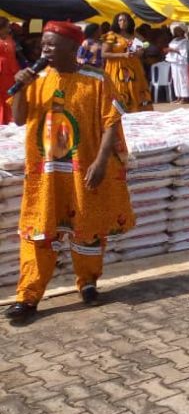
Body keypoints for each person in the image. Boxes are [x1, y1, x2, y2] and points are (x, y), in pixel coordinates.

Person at [3, 22, 135, 323]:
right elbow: (20, 119)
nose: (44, 49)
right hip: (45, 174)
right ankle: (28, 296)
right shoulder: (36, 79)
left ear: (71, 47)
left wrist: (101, 162)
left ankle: (87, 283)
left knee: (87, 227)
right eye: (43, 45)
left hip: (83, 168)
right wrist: (21, 86)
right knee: (39, 230)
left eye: (51, 44)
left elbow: (111, 122)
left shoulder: (96, 79)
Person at [102, 12, 152, 113]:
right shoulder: (111, 35)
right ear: (116, 22)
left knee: (135, 90)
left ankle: (135, 112)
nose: (123, 22)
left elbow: (145, 44)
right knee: (120, 91)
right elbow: (104, 54)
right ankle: (118, 113)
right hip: (117, 69)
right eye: (120, 20)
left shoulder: (133, 34)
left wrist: (140, 51)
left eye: (125, 20)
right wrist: (122, 55)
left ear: (129, 22)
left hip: (134, 68)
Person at [165, 23, 189, 103]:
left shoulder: (185, 41)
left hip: (181, 62)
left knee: (183, 79)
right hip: (174, 61)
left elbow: (184, 52)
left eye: (178, 30)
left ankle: (185, 97)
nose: (176, 31)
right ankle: (178, 96)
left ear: (182, 31)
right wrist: (168, 50)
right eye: (175, 30)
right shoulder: (174, 40)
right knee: (175, 79)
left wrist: (173, 50)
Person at [0, 17, 18, 124]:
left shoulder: (9, 38)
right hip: (1, 69)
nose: (9, 28)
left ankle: (8, 118)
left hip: (11, 69)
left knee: (9, 93)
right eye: (7, 26)